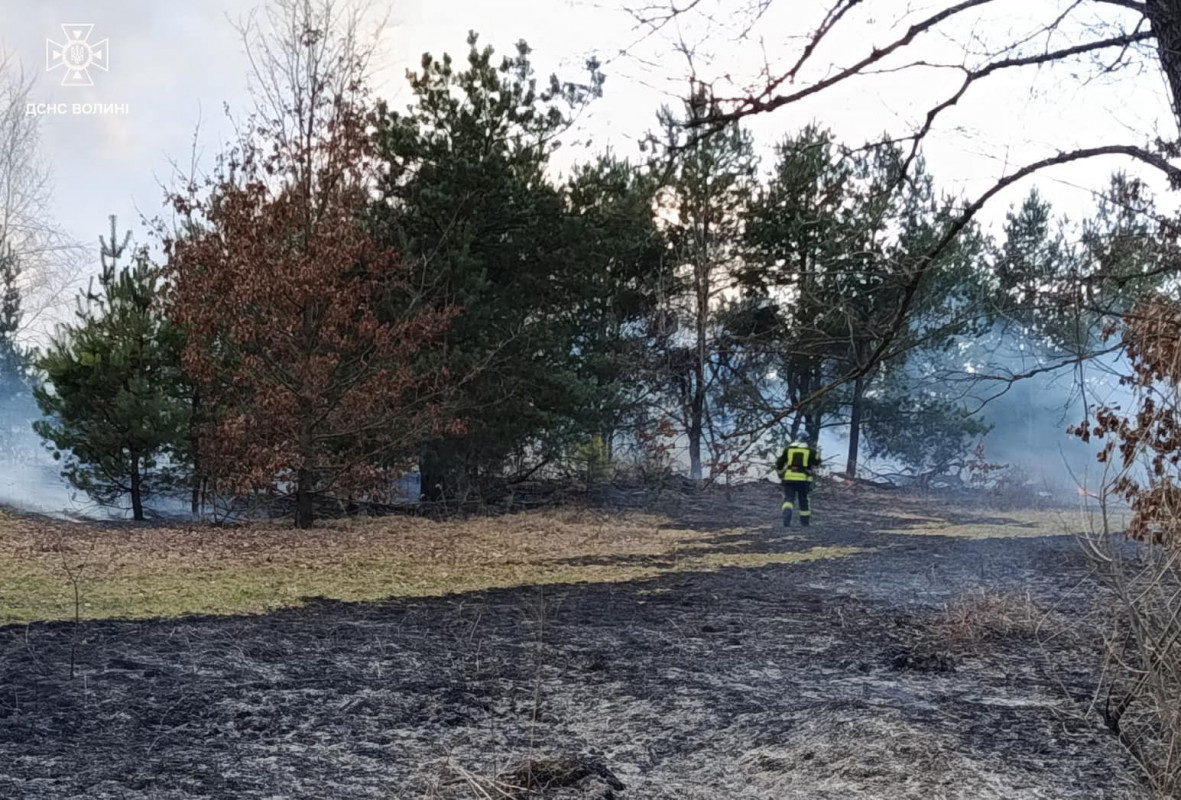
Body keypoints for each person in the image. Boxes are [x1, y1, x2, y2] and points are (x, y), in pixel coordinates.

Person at [775, 432, 821, 527]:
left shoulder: (788, 449)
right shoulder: (810, 451)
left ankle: (786, 518)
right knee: (803, 500)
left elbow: (779, 463)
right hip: (803, 479)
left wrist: (780, 472)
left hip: (789, 478)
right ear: (806, 440)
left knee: (788, 498)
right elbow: (817, 462)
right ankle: (805, 523)